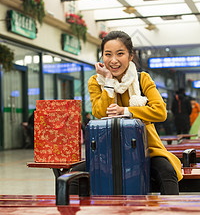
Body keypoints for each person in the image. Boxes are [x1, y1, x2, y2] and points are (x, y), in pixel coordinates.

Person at [70, 30, 182, 195]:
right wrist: (108, 81)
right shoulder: (96, 82)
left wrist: (126, 111)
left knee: (167, 172)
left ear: (130, 56)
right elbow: (100, 113)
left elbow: (160, 112)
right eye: (108, 54)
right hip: (107, 151)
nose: (113, 60)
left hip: (147, 150)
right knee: (72, 177)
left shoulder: (142, 79)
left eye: (120, 54)